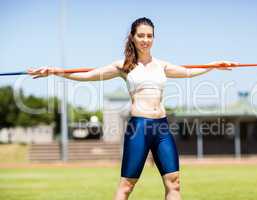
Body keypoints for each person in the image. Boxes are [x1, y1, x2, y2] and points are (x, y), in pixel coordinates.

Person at [28, 17, 238, 200]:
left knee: (174, 182)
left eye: (149, 36)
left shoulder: (162, 66)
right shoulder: (124, 66)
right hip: (139, 127)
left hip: (162, 128)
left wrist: (215, 64)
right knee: (127, 185)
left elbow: (189, 72)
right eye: (141, 36)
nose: (145, 40)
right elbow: (88, 76)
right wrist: (55, 71)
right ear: (133, 37)